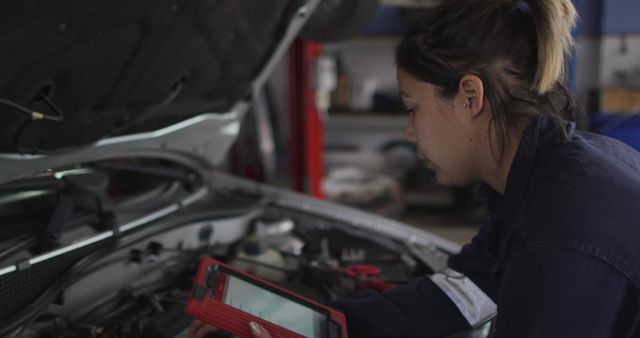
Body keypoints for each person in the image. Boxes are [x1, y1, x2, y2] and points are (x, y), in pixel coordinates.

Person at [189, 0, 640, 337]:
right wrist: (310, 325)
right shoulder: (541, 180)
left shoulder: (562, 230)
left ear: (470, 96)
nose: (409, 132)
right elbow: (459, 296)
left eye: (412, 108)